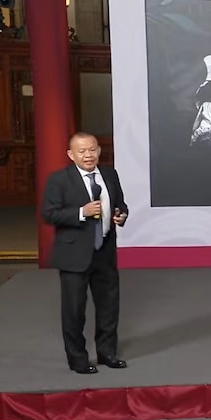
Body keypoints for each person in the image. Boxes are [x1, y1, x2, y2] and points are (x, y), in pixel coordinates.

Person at [41, 132, 129, 374]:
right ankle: (78, 359)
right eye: (82, 151)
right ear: (71, 155)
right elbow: (49, 214)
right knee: (74, 310)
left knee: (109, 306)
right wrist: (81, 212)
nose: (88, 155)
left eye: (92, 150)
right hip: (74, 255)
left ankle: (107, 353)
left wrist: (121, 215)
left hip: (105, 252)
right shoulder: (59, 180)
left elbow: (120, 203)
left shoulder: (110, 175)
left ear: (99, 151)